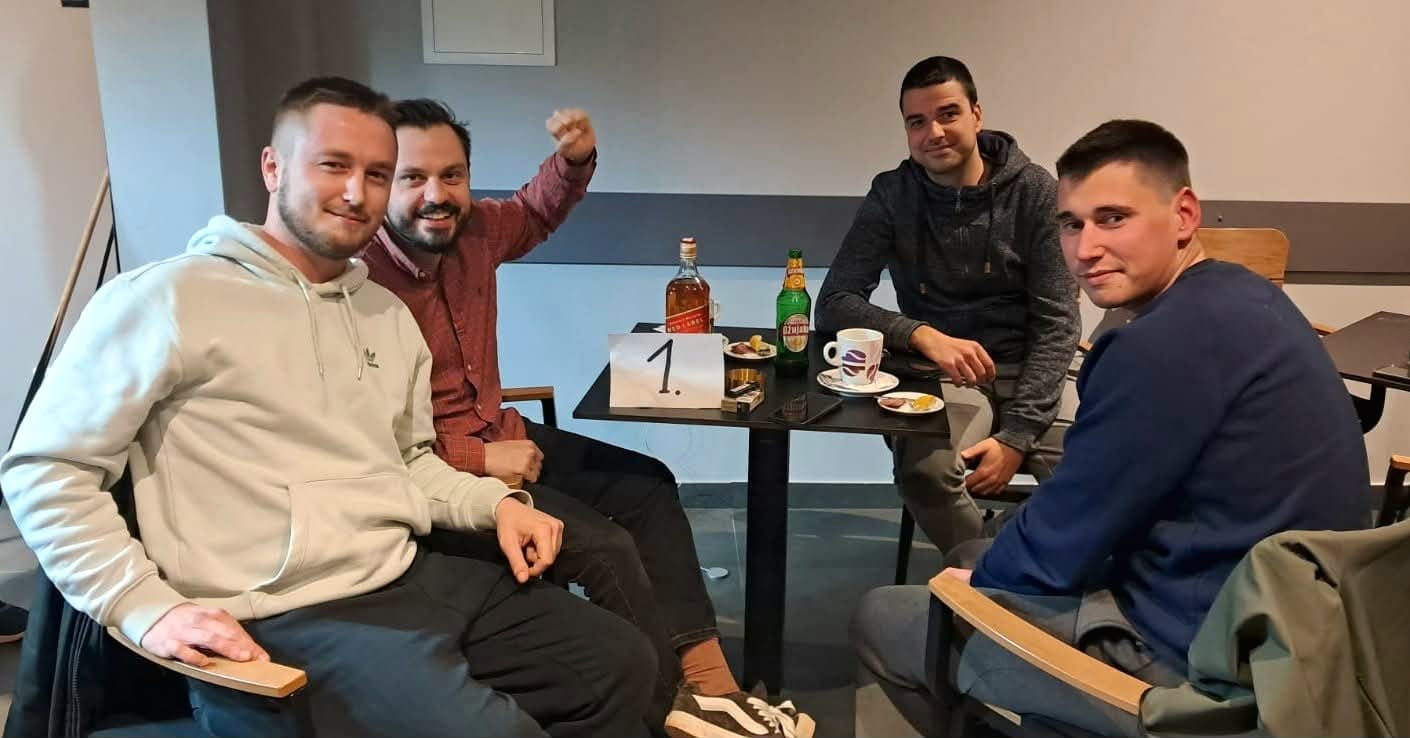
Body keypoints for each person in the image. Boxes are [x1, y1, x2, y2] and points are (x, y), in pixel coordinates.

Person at [0, 76, 656, 738]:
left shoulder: (385, 313)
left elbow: (410, 462)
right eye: (334, 166)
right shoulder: (167, 299)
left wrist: (496, 505)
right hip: (283, 613)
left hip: (407, 574)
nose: (356, 193)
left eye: (377, 174)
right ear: (273, 167)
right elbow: (46, 470)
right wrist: (143, 605)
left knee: (620, 664)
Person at [850, 119, 1372, 735]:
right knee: (971, 551)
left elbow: (1060, 541)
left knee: (885, 615)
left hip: (1207, 670)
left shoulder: (1159, 345)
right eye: (1071, 224)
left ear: (1184, 215)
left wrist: (978, 585)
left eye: (1113, 218)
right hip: (1300, 636)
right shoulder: (1248, 297)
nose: (1085, 248)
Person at [362, 98, 813, 738]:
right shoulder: (359, 278)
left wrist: (572, 161)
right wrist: (477, 458)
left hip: (503, 432)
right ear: (380, 182)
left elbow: (534, 211)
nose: (436, 194)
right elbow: (367, 439)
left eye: (452, 175)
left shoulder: (477, 230)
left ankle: (713, 687)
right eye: (413, 177)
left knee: (648, 485)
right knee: (605, 549)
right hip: (441, 471)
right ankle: (669, 708)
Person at [816, 56, 1079, 555]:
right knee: (926, 472)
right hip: (945, 376)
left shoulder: (1036, 191)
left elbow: (1058, 323)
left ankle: (1032, 572)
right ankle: (984, 578)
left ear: (977, 115)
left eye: (948, 114)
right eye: (916, 122)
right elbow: (834, 302)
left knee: (1098, 471)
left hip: (1033, 368)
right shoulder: (893, 194)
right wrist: (921, 335)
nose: (933, 133)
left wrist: (1018, 436)